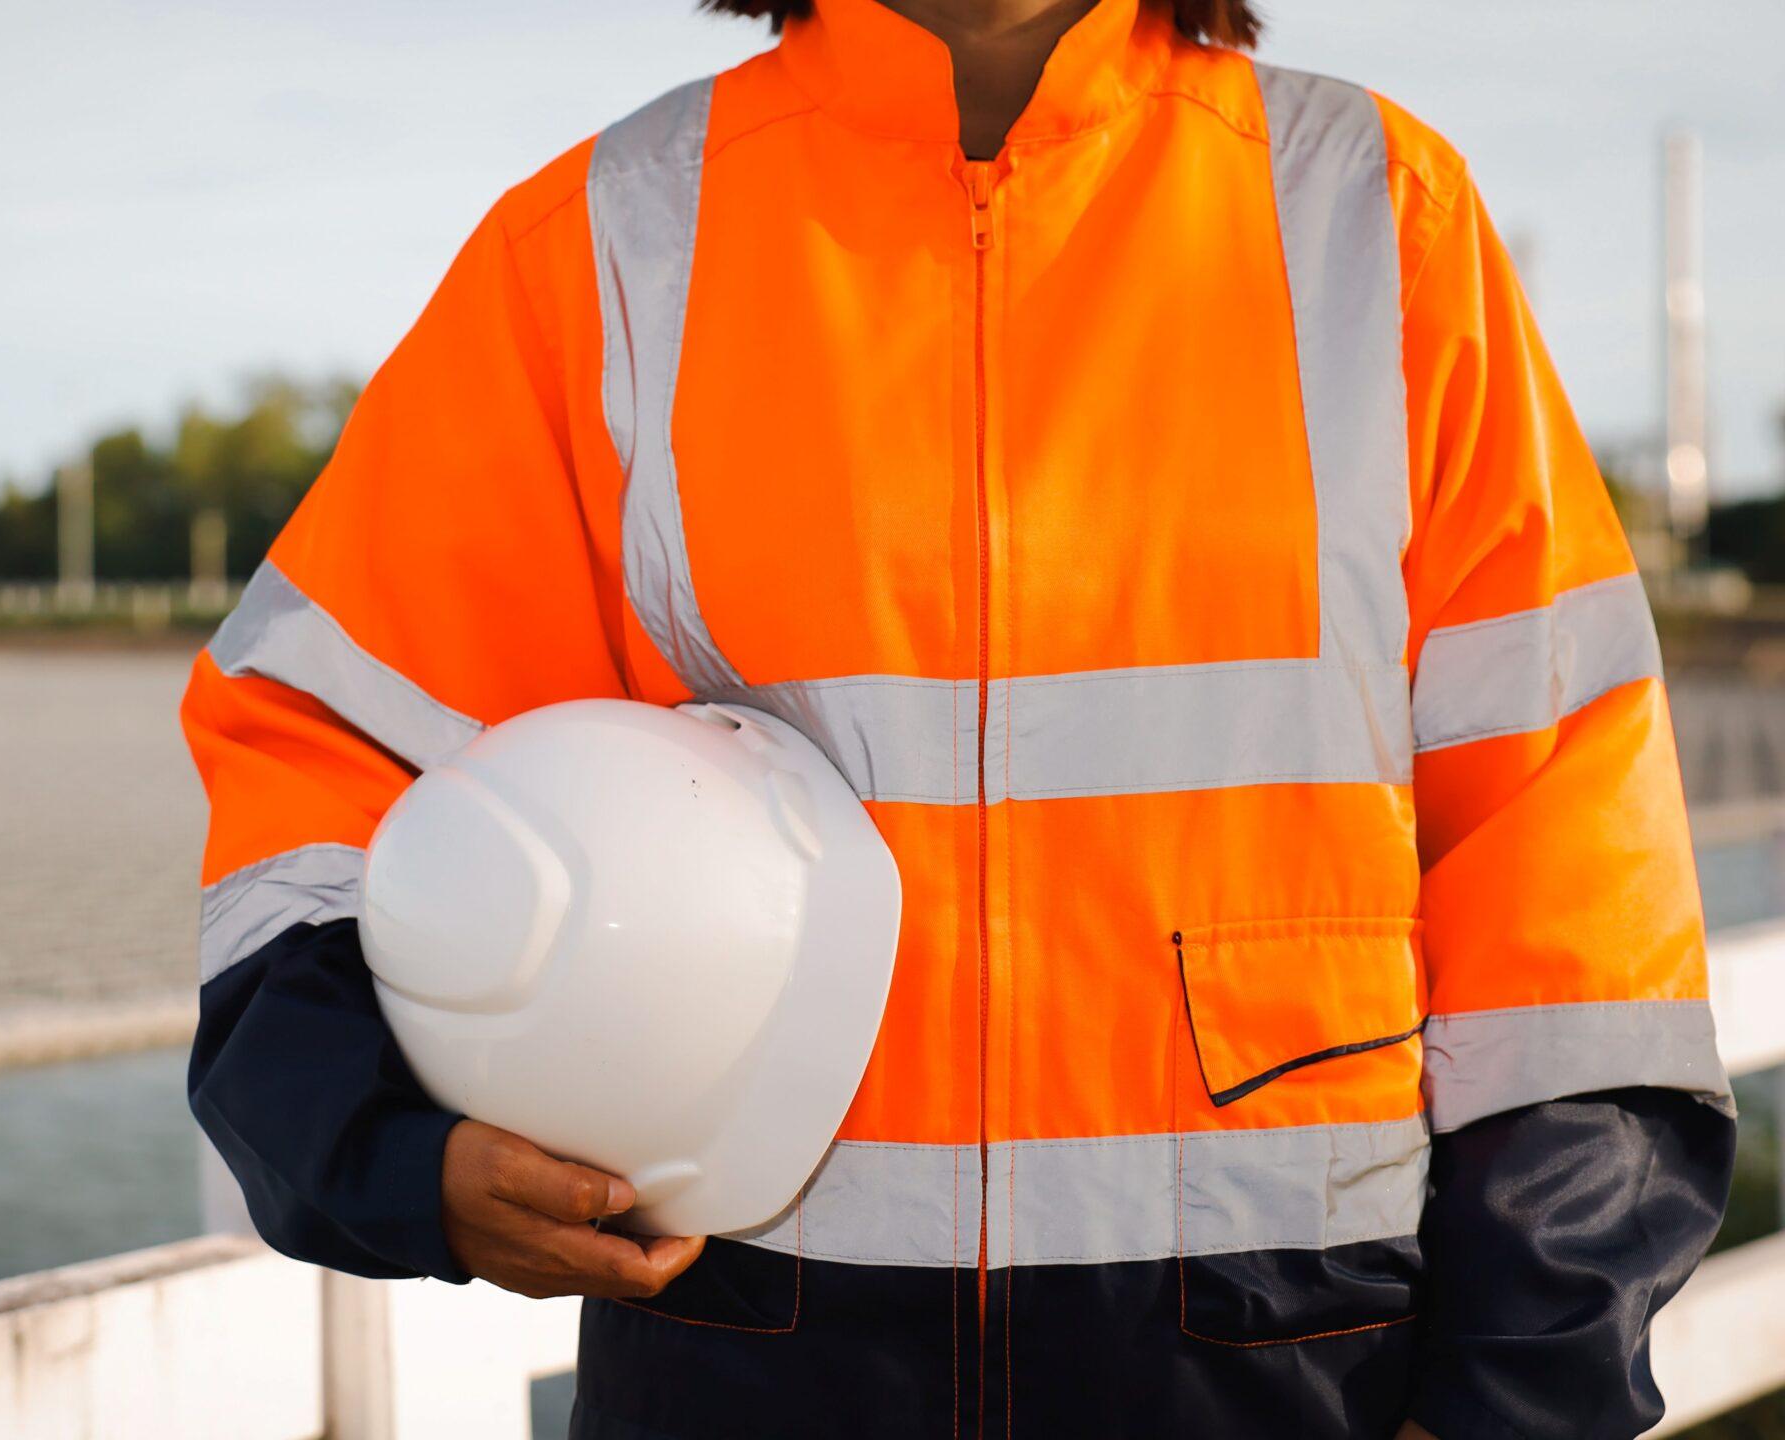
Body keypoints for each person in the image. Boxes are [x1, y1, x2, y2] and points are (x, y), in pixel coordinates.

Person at [178, 0, 1738, 1435]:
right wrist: (396, 1151)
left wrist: (1518, 1401)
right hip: (743, 1366)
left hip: (1301, 1377)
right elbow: (317, 755)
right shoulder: (607, 242)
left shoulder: (1379, 219)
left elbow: (1569, 896)